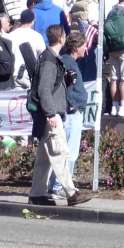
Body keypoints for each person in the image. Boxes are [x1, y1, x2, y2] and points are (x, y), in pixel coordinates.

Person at [28, 24, 91, 207]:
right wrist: (51, 113)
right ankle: (71, 193)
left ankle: (37, 194)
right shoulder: (49, 60)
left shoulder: (51, 58)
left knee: (44, 157)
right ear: (62, 38)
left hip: (49, 114)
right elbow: (44, 89)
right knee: (60, 152)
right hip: (51, 115)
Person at [48, 31, 89, 199]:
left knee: (66, 152)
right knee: (69, 153)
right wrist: (73, 106)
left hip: (72, 113)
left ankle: (56, 185)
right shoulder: (68, 63)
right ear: (77, 47)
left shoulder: (69, 62)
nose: (86, 49)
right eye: (84, 46)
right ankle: (60, 186)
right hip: (71, 114)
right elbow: (65, 89)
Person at [5, 9, 45, 89]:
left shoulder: (9, 36)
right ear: (32, 21)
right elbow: (43, 54)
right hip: (29, 74)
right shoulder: (36, 36)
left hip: (13, 74)